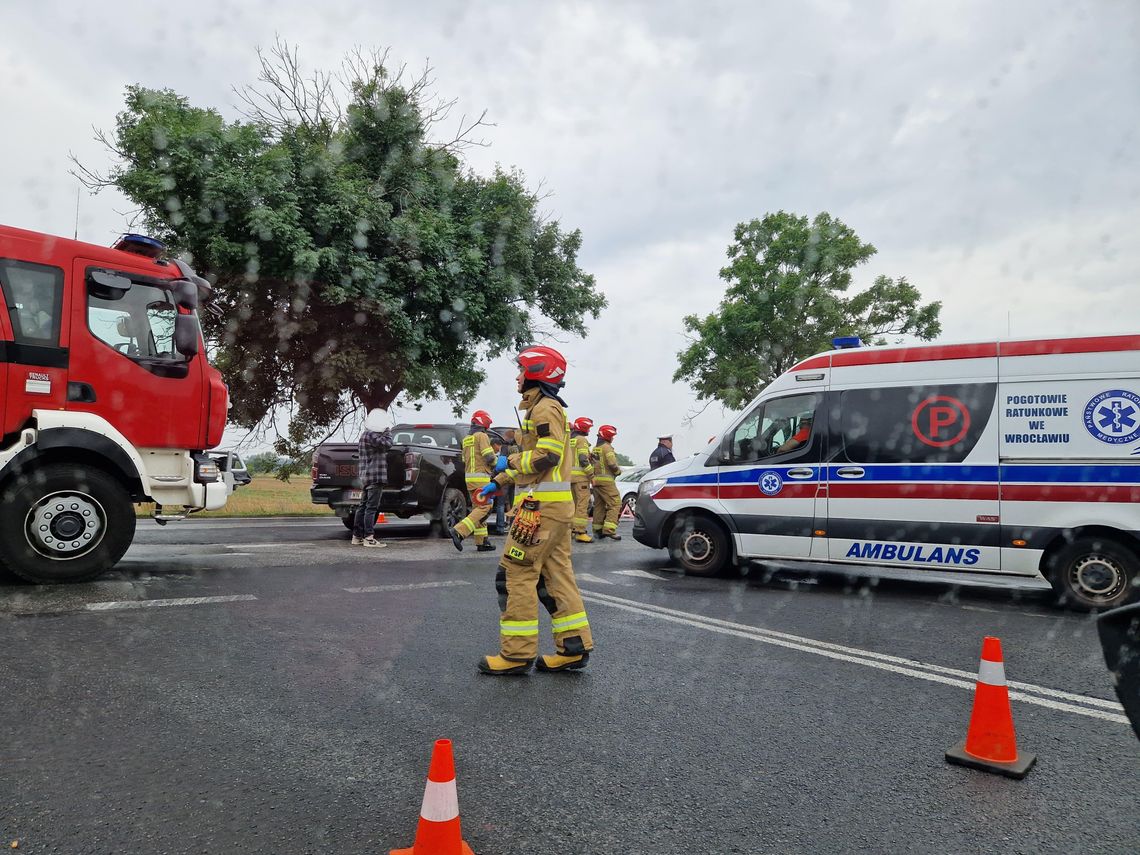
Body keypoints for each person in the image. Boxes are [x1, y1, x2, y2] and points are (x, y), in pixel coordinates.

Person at [475, 345, 594, 675]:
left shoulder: (544, 410)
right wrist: (499, 481)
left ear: (536, 373)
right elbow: (537, 464)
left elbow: (547, 457)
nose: (517, 377)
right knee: (557, 577)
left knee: (514, 574)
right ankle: (573, 648)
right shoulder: (545, 408)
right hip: (553, 509)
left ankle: (516, 655)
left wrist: (508, 460)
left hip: (540, 512)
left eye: (521, 371)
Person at [449, 410, 500, 552]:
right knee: (485, 508)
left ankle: (482, 541)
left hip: (470, 479)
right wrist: (499, 463)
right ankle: (459, 531)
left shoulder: (467, 439)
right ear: (484, 423)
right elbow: (489, 458)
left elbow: (464, 460)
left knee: (479, 509)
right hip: (481, 479)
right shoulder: (482, 436)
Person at [352, 408, 392, 548]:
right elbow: (387, 444)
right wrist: (387, 431)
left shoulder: (364, 435)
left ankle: (357, 536)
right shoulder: (372, 436)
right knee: (371, 508)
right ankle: (369, 538)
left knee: (362, 506)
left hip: (366, 476)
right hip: (375, 476)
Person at [591, 424, 623, 541]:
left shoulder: (595, 448)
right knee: (615, 503)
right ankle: (609, 530)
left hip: (596, 481)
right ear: (608, 436)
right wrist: (618, 471)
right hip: (607, 482)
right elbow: (612, 464)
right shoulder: (607, 447)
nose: (613, 438)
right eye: (612, 436)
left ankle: (597, 530)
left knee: (599, 505)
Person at [569, 417, 595, 543]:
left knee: (572, 505)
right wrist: (592, 475)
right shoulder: (582, 440)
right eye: (588, 428)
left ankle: (571, 530)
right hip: (581, 479)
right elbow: (583, 459)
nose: (589, 431)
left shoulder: (570, 439)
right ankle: (580, 532)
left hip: (569, 478)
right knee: (582, 505)